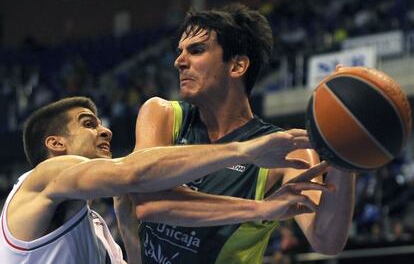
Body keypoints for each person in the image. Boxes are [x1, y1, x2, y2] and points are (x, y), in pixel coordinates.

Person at [133, 4, 355, 263]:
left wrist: (347, 146)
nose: (179, 61)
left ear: (237, 66)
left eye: (196, 51)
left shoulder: (287, 150)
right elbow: (147, 202)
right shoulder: (162, 114)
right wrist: (261, 209)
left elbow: (327, 241)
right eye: (180, 51)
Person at [0, 96, 330, 263]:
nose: (105, 130)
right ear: (56, 144)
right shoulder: (41, 177)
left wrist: (128, 228)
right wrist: (245, 151)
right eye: (88, 124)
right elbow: (132, 171)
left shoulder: (97, 228)